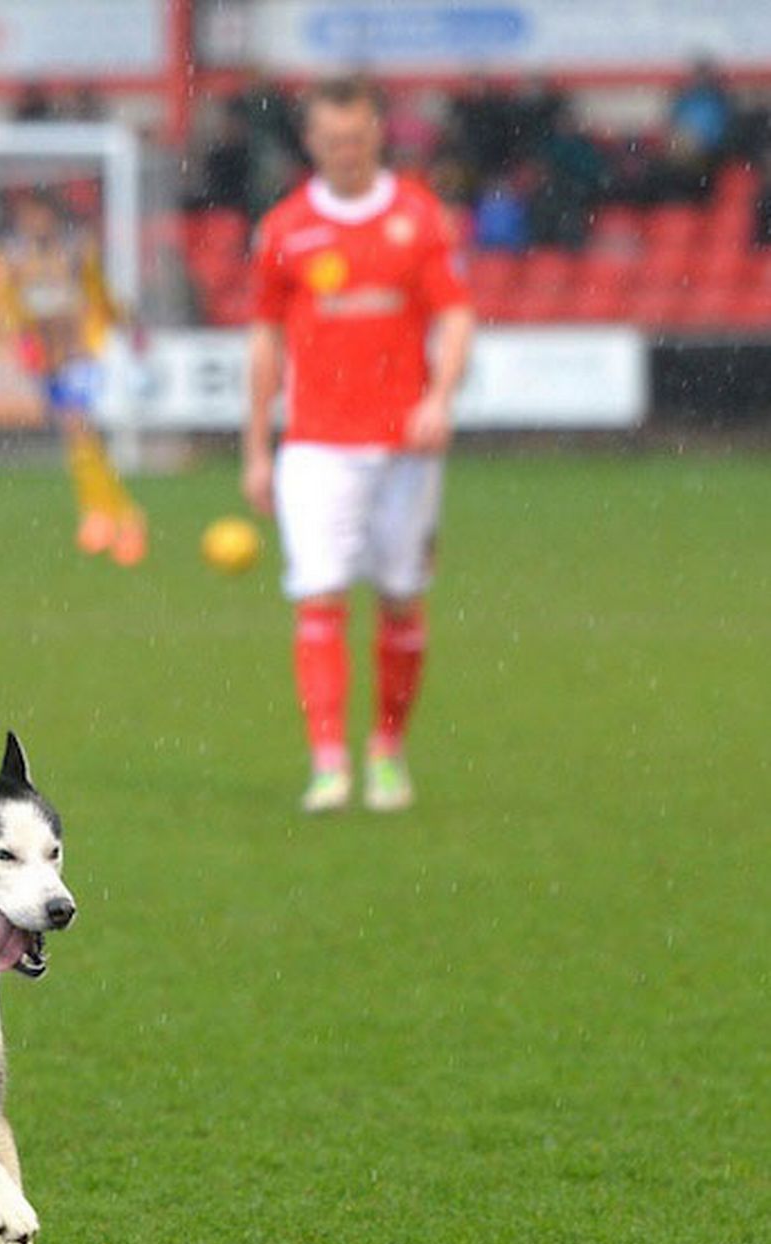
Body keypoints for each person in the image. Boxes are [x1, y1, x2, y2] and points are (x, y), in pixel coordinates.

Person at [243, 75, 475, 813]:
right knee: (319, 594)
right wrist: (255, 445)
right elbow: (263, 337)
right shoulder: (283, 229)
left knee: (401, 599)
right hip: (314, 443)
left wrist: (439, 398)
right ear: (310, 142)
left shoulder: (418, 216)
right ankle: (328, 762)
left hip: (404, 443)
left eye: (357, 137)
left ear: (378, 134)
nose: (345, 151)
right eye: (331, 139)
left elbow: (458, 317)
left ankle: (386, 748)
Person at [0, 189, 145, 566]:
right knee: (75, 436)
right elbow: (4, 305)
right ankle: (100, 511)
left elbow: (99, 293)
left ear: (52, 216)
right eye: (27, 216)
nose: (34, 223)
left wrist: (124, 322)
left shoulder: (76, 250)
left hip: (82, 351)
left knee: (77, 427)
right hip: (46, 357)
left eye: (39, 215)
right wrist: (21, 340)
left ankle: (122, 516)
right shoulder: (9, 257)